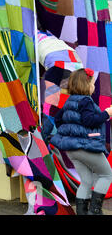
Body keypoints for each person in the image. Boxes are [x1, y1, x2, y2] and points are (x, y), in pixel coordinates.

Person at [51, 68, 112, 215]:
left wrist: (71, 133)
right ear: (86, 85)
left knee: (86, 180)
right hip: (87, 147)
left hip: (72, 150)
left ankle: (82, 212)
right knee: (106, 175)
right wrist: (106, 113)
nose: (94, 87)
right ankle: (95, 211)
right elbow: (89, 120)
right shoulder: (86, 101)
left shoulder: (68, 102)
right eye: (93, 84)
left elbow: (58, 120)